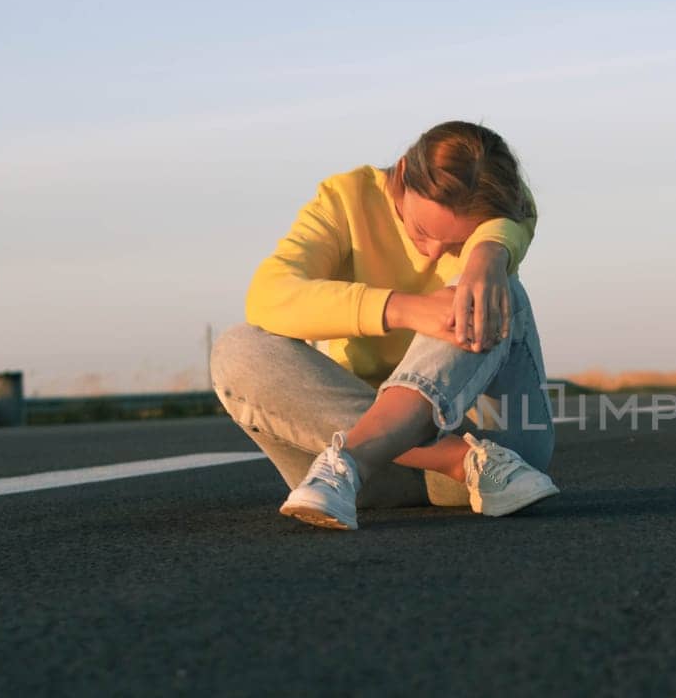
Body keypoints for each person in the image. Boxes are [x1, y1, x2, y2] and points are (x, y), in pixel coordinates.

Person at [210, 121, 560, 531]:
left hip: (498, 460)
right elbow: (269, 295)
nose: (433, 254)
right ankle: (450, 459)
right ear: (400, 174)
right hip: (373, 477)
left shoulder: (503, 222)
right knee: (239, 348)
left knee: (497, 295)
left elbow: (518, 214)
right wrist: (404, 309)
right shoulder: (345, 200)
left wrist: (488, 257)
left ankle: (362, 459)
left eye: (455, 246)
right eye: (423, 232)